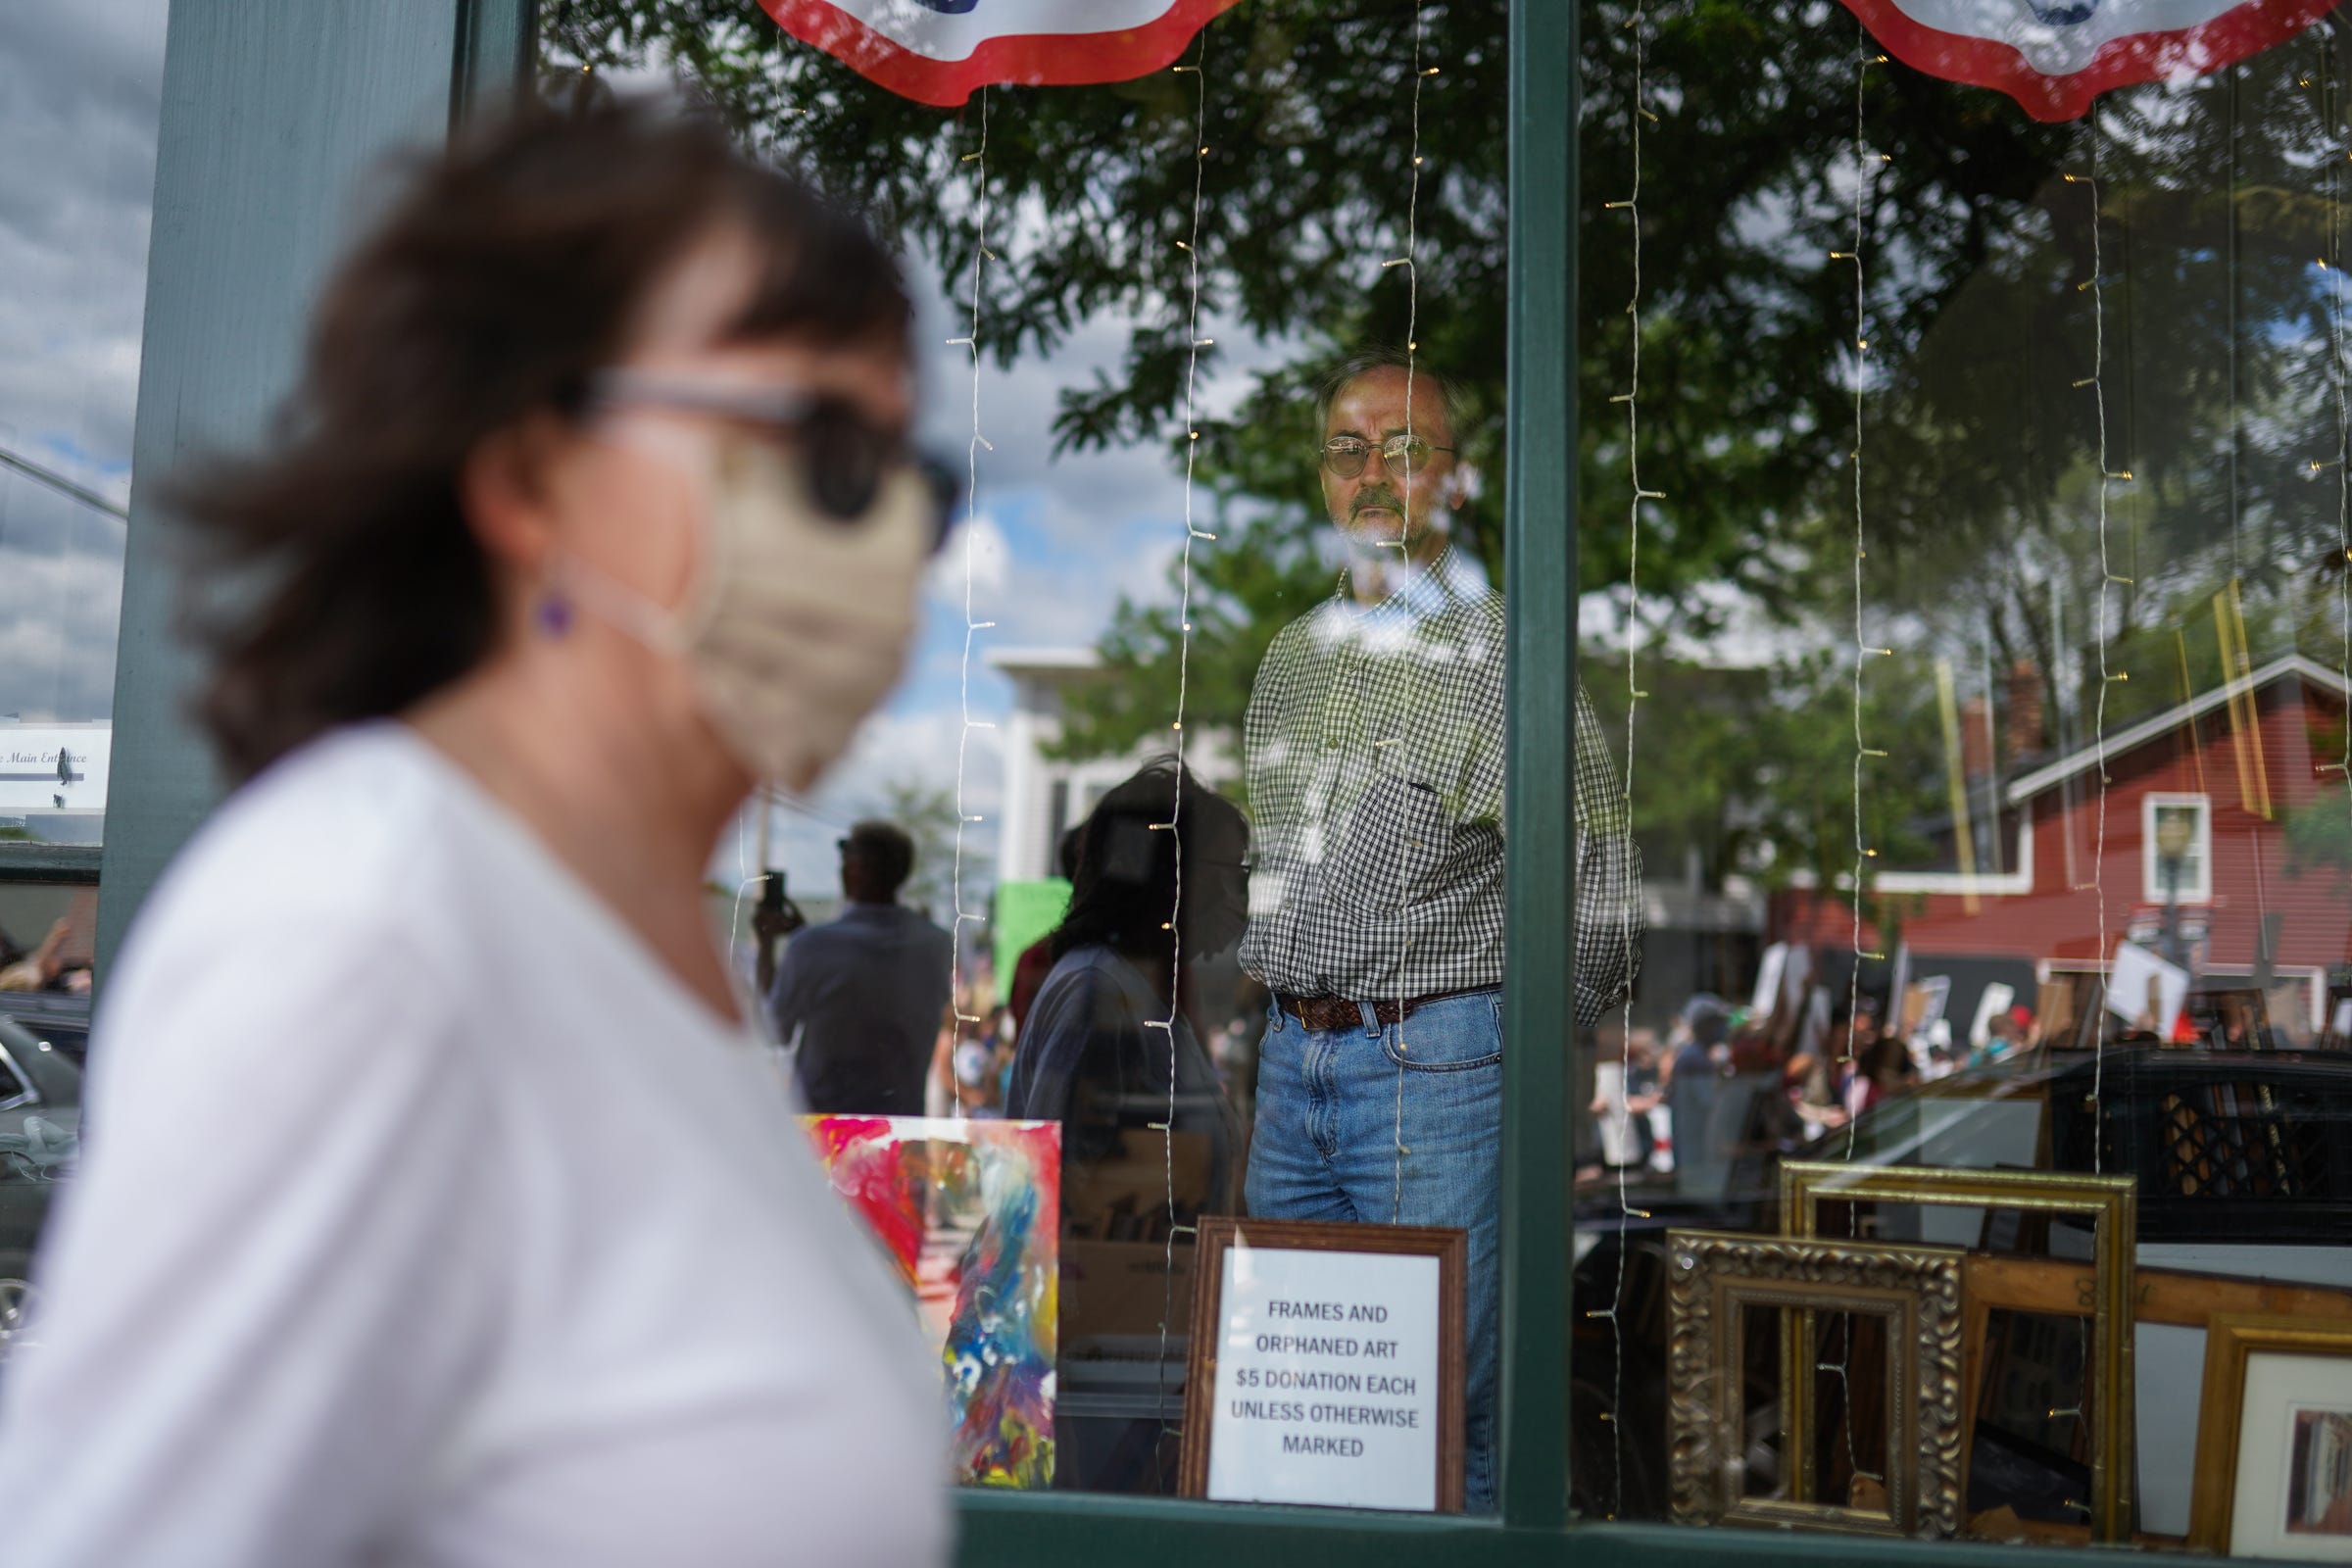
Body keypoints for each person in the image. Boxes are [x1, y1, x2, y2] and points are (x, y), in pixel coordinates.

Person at [0, 103, 955, 1567]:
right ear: (527, 479)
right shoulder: (368, 928)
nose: (883, 532)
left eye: (912, 480)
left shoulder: (655, 950)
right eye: (819, 446)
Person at [1236, 348, 1642, 1513]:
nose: (1374, 476)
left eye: (1407, 451)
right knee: (1293, 1410)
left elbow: (1599, 880)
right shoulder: (1291, 659)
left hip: (1441, 1067)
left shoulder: (1504, 654)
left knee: (1446, 1417)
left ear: (1456, 481)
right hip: (1290, 1063)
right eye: (1349, 449)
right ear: (1321, 474)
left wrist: (1520, 1061)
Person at [1004, 760, 1248, 1487]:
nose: (1238, 900)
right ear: (1169, 881)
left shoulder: (1132, 989)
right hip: (1102, 1380)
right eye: (1228, 874)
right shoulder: (1096, 994)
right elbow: (1052, 1195)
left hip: (1136, 1361)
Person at [767, 819, 953, 1114]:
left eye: (846, 856)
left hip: (825, 1131)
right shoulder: (938, 945)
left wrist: (771, 946)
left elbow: (773, 1029)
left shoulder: (812, 947)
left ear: (855, 869)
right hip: (899, 1127)